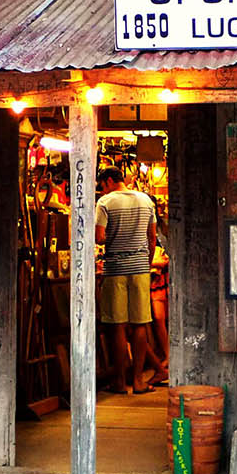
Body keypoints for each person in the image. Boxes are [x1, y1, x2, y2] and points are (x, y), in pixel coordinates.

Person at [94, 168, 157, 394]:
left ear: (109, 181)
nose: (101, 189)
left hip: (115, 269)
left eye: (102, 184)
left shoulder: (105, 202)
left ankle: (120, 382)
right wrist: (146, 264)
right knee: (141, 324)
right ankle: (139, 381)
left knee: (117, 326)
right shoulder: (146, 200)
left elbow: (99, 237)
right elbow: (152, 239)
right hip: (141, 269)